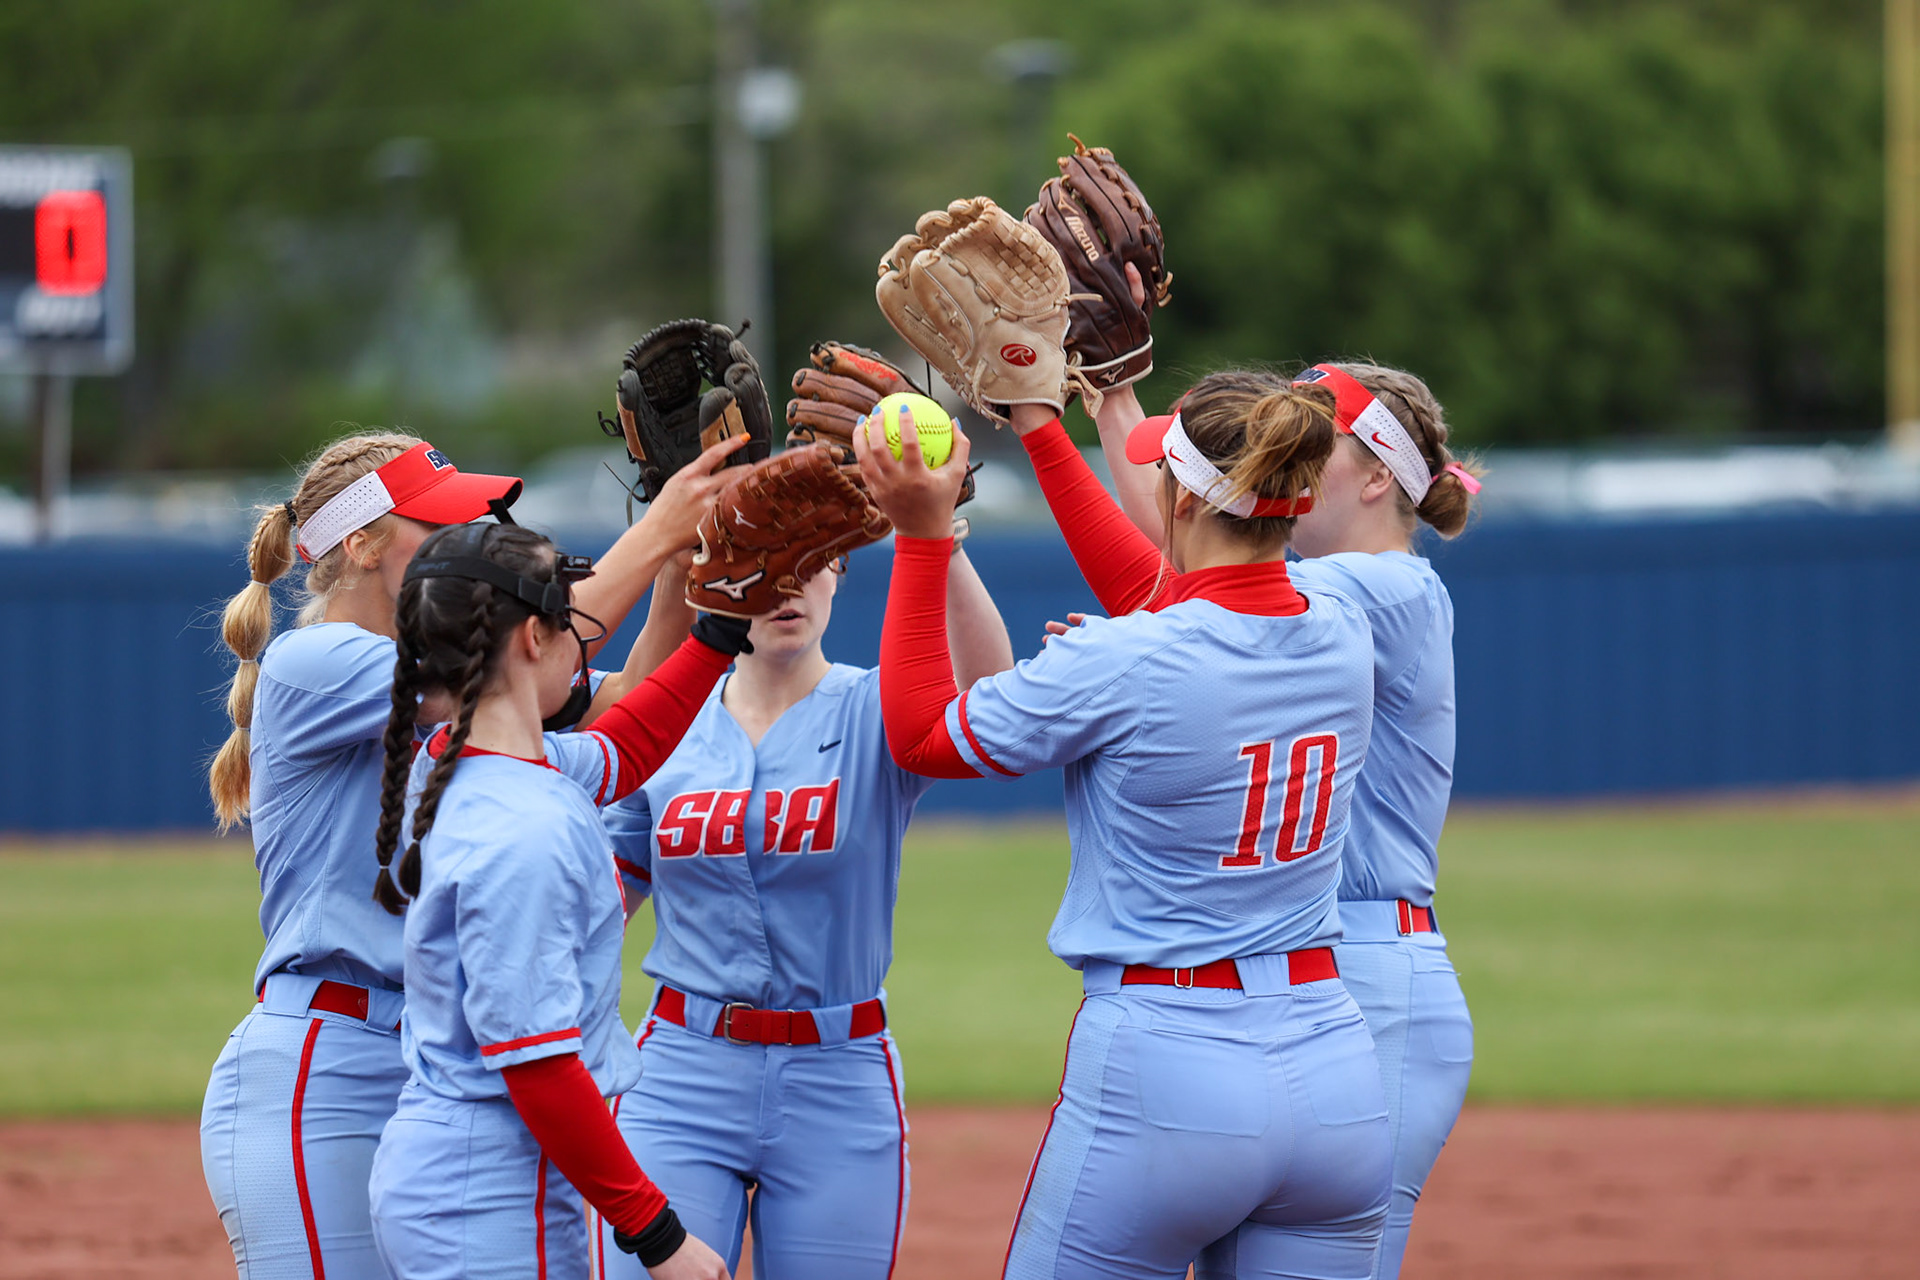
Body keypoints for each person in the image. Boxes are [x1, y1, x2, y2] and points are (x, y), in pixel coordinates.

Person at [853, 378, 1392, 1279]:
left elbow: (920, 734)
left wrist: (921, 536)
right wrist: (1038, 425)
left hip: (1171, 1061)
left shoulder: (1126, 657)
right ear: (1295, 500)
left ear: (1179, 499)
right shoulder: (1342, 629)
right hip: (1336, 1069)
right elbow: (1181, 600)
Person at [201, 430, 740, 1280]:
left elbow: (626, 715)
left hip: (431, 1067)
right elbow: (525, 632)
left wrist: (694, 575)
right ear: (361, 543)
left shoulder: (475, 727)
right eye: (436, 522)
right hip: (326, 1065)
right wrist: (663, 525)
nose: (465, 535)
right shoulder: (314, 661)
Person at [1089, 363, 1483, 1280]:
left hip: (1375, 975)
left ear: (1379, 474)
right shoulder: (1317, 588)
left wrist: (1045, 433)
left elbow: (1177, 580)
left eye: (1320, 438)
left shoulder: (1390, 590)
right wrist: (1110, 401)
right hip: (1303, 981)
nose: (1290, 456)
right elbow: (1182, 556)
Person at [591, 529, 1013, 1280]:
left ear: (841, 573)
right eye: (763, 568)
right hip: (682, 1071)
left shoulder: (878, 708)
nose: (789, 585)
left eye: (812, 562)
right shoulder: (667, 723)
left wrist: (939, 533)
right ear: (712, 587)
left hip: (839, 1076)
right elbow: (597, 905)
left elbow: (989, 698)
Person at [364, 521, 752, 1280]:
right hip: (488, 1191)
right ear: (534, 641)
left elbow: (623, 750)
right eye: (569, 617)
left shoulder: (462, 758)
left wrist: (719, 634)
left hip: (462, 1169)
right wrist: (658, 1236)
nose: (581, 637)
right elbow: (538, 1065)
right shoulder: (523, 830)